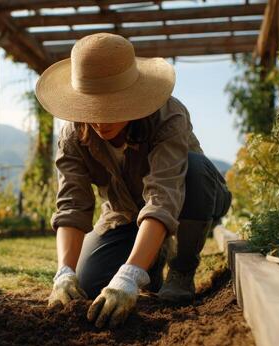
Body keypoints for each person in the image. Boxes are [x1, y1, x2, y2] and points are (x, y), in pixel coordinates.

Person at [34, 33, 232, 329]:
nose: (100, 120)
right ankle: (148, 264)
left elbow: (163, 197)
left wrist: (128, 276)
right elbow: (72, 205)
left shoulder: (168, 116)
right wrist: (64, 272)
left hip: (188, 198)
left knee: (196, 167)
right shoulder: (73, 136)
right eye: (92, 106)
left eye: (111, 105)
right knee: (87, 283)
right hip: (124, 213)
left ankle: (181, 268)